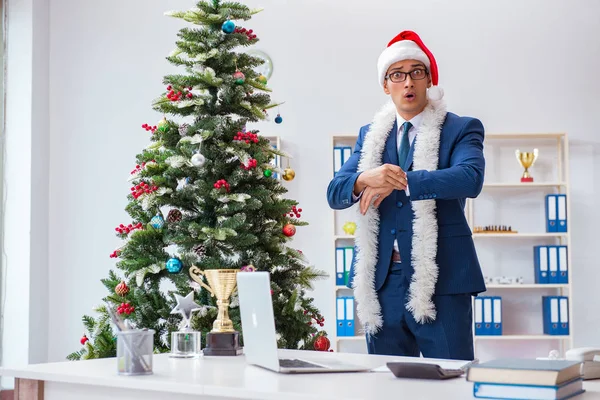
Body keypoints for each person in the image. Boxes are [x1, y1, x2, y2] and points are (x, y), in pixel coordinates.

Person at [326, 30, 486, 360]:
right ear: (386, 86)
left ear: (429, 79)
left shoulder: (461, 128)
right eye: (397, 75)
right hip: (382, 281)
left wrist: (400, 180)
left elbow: (469, 178)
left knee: (451, 381)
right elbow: (335, 192)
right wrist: (365, 178)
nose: (408, 83)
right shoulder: (370, 136)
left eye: (416, 72)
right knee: (387, 386)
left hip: (443, 279)